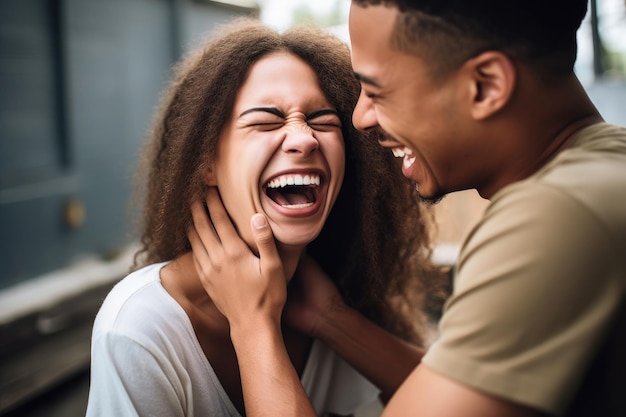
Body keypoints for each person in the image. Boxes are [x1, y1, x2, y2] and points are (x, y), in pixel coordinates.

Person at [189, 0, 626, 416]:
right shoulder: (602, 172)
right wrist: (330, 318)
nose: (359, 116)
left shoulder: (556, 217)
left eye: (377, 92)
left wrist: (251, 325)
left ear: (486, 85)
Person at [85, 17, 445, 417]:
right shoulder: (140, 328)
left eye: (323, 121)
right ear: (205, 161)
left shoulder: (347, 293)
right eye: (266, 121)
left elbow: (465, 403)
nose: (304, 138)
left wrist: (332, 320)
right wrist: (254, 322)